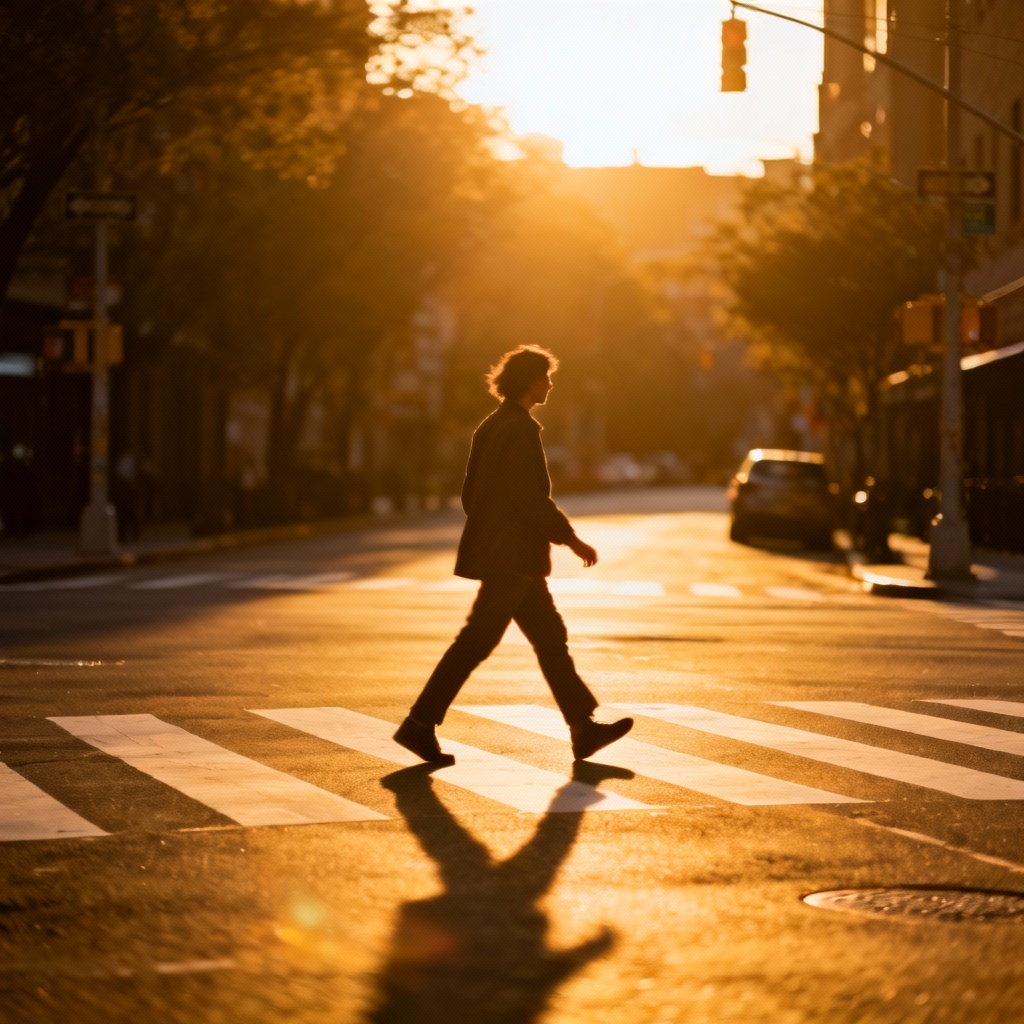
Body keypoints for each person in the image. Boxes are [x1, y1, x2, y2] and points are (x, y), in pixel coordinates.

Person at [393, 345, 633, 766]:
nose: (550, 385)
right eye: (546, 378)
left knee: (550, 638)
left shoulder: (489, 427)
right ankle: (418, 723)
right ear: (529, 382)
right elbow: (530, 497)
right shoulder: (519, 430)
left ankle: (583, 728)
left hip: (510, 557)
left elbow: (470, 496)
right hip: (514, 558)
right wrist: (571, 539)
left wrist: (494, 525)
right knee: (476, 642)